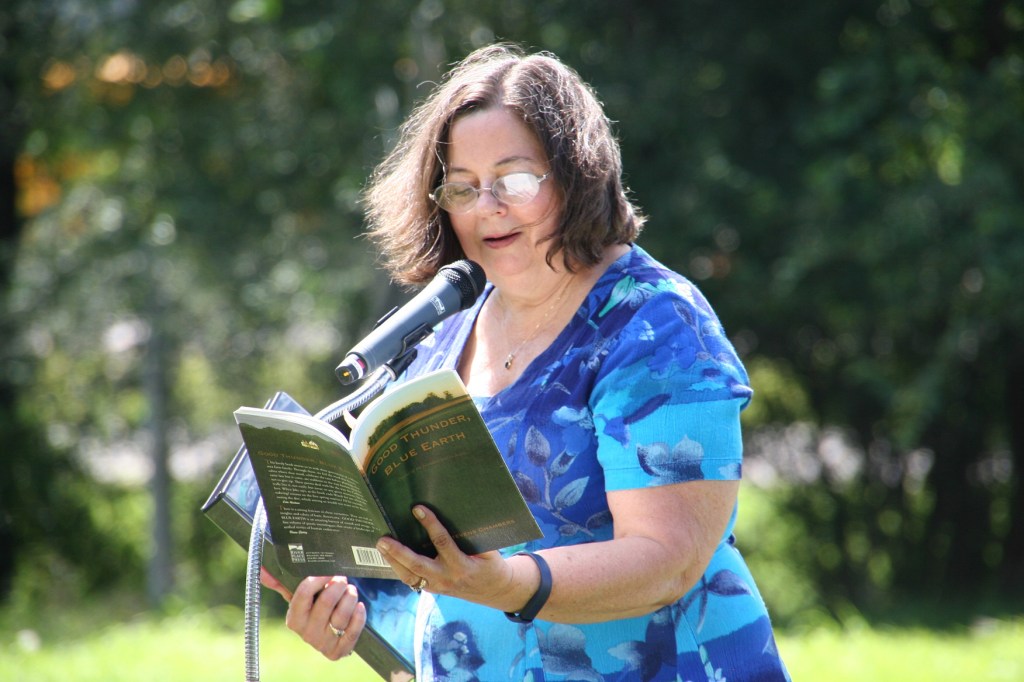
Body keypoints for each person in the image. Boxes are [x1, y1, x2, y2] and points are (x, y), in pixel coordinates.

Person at [261, 42, 791, 681]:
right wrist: (352, 611)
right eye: (463, 187)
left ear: (575, 176)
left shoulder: (654, 322)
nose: (488, 206)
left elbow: (667, 561)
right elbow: (432, 576)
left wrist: (508, 583)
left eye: (514, 178)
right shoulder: (443, 334)